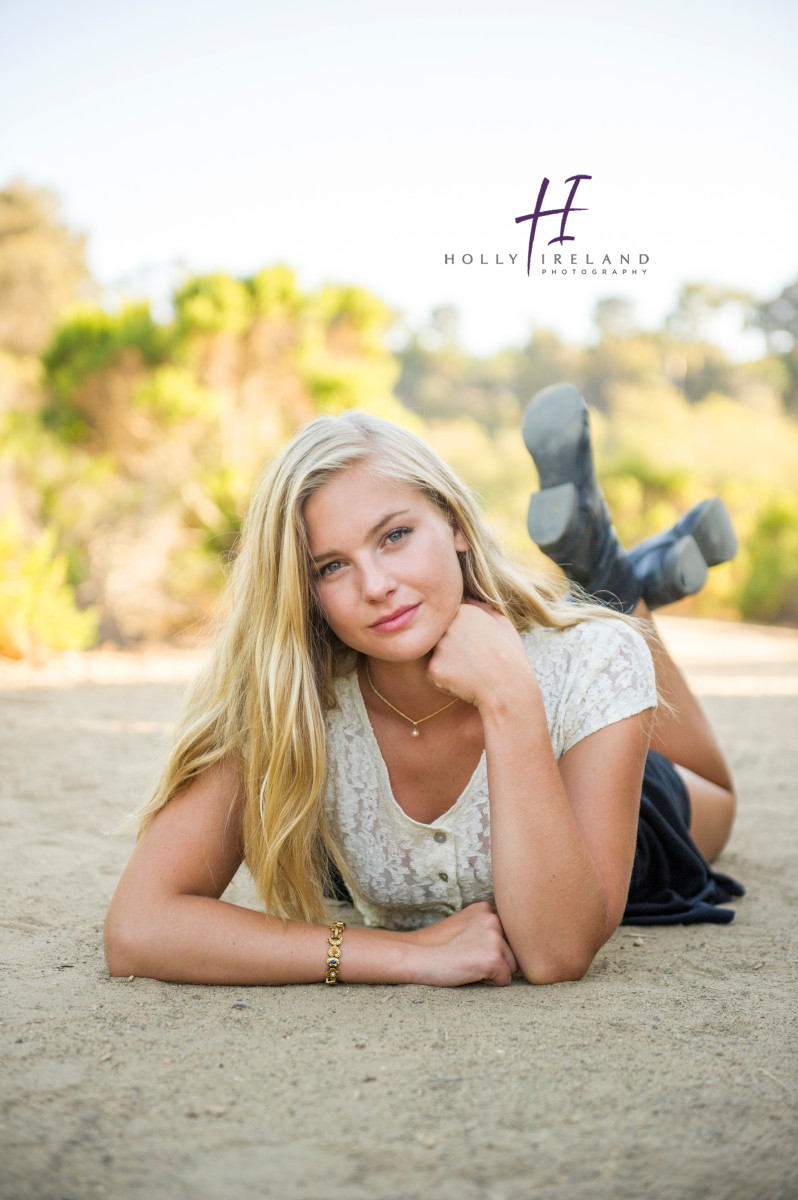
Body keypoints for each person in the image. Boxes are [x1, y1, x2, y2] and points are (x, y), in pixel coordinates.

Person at [104, 385, 744, 988]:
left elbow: (556, 953)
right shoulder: (286, 701)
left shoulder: (585, 667)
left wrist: (511, 700)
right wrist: (406, 953)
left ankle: (617, 585)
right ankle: (622, 573)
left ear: (455, 523)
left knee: (713, 795)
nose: (376, 585)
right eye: (331, 566)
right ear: (303, 592)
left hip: (584, 780)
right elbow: (139, 927)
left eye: (395, 536)